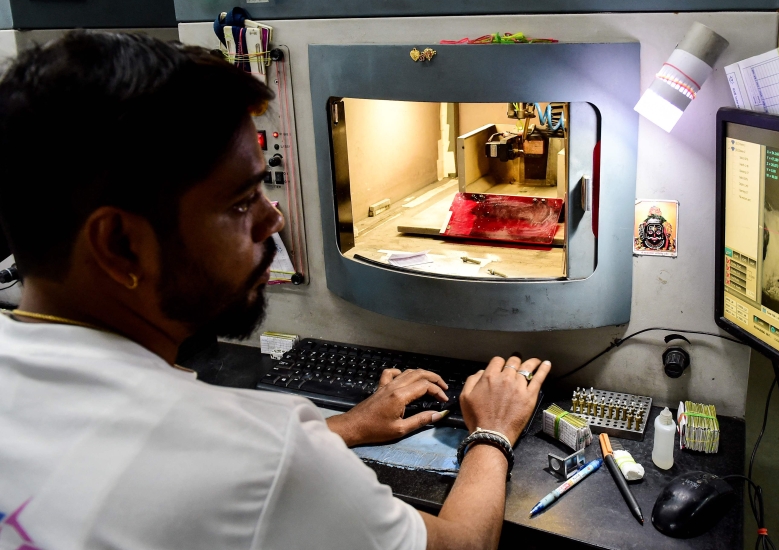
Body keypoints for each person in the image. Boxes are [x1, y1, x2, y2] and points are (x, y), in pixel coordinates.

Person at [0, 32, 551, 549]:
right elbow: (464, 544)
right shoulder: (265, 452)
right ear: (120, 244)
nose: (275, 219)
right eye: (240, 202)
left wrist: (346, 427)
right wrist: (494, 433)